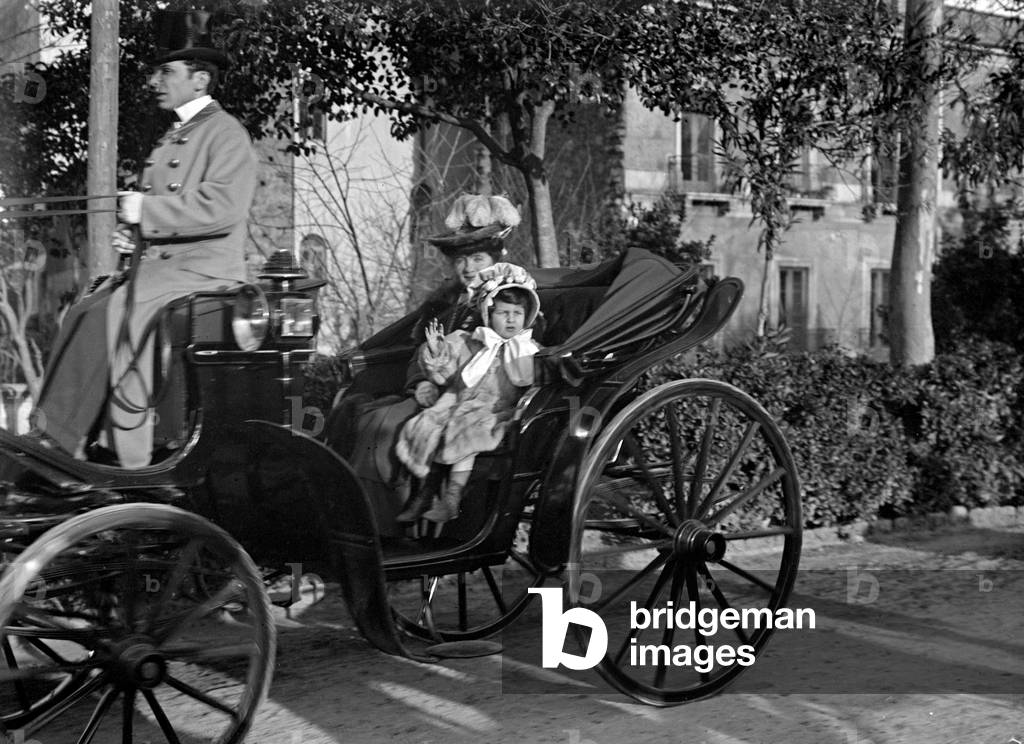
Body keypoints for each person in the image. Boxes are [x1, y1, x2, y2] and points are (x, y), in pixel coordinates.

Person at [32, 9, 257, 468]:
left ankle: (122, 459)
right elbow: (171, 219)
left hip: (208, 271)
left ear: (200, 80)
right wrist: (135, 239)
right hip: (167, 266)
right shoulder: (175, 136)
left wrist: (147, 213)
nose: (156, 80)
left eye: (167, 71)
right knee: (85, 309)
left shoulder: (226, 134)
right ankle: (65, 435)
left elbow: (222, 209)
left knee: (119, 312)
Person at [327, 193, 525, 536]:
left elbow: (520, 356)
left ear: (496, 257)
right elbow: (419, 349)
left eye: (477, 257)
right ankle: (356, 517)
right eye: (460, 260)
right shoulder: (446, 303)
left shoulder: (513, 301)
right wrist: (420, 382)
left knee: (386, 424)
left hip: (483, 400)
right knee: (362, 413)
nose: (468, 268)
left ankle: (382, 529)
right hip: (438, 393)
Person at [394, 267, 541, 523]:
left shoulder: (529, 351)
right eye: (503, 313)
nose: (511, 320)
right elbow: (447, 377)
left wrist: (522, 408)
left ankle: (452, 499)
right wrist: (438, 352)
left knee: (464, 433)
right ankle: (424, 496)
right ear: (488, 314)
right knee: (427, 424)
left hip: (496, 410)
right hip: (457, 401)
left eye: (517, 314)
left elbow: (536, 383)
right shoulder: (471, 343)